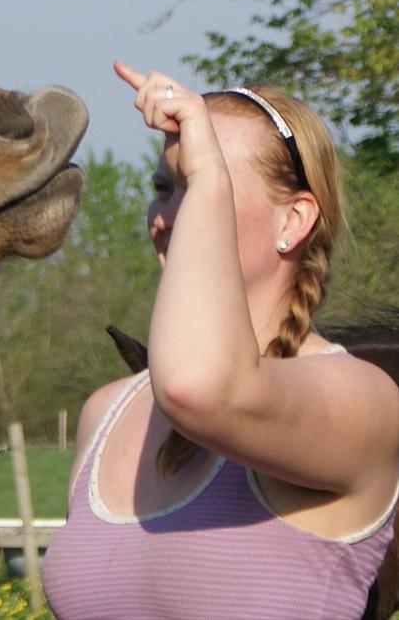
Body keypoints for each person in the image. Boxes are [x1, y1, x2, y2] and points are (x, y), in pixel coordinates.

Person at [41, 61, 399, 620]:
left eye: (208, 185)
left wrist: (203, 170)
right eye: (165, 187)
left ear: (295, 220)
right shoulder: (106, 411)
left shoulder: (363, 399)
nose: (171, 214)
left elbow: (199, 390)